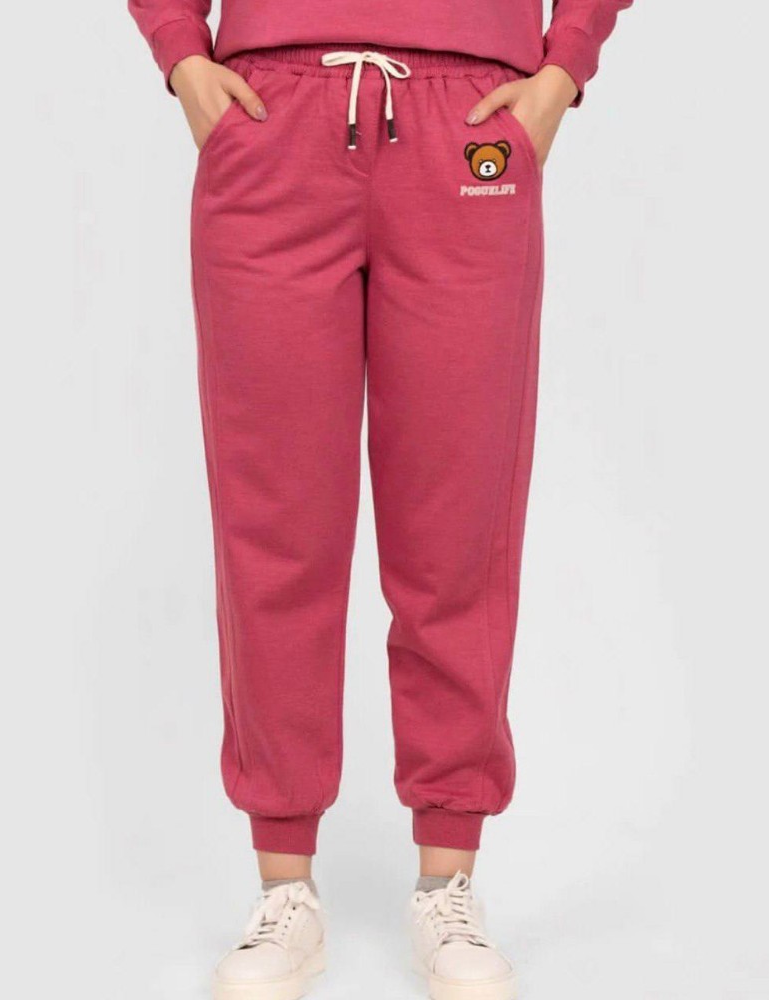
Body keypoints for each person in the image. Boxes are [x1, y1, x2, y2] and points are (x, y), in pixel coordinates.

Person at [128, 0, 631, 997]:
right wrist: (180, 52)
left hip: (469, 122)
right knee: (275, 522)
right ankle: (285, 890)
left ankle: (448, 881)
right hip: (270, 120)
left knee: (461, 522)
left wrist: (565, 66)